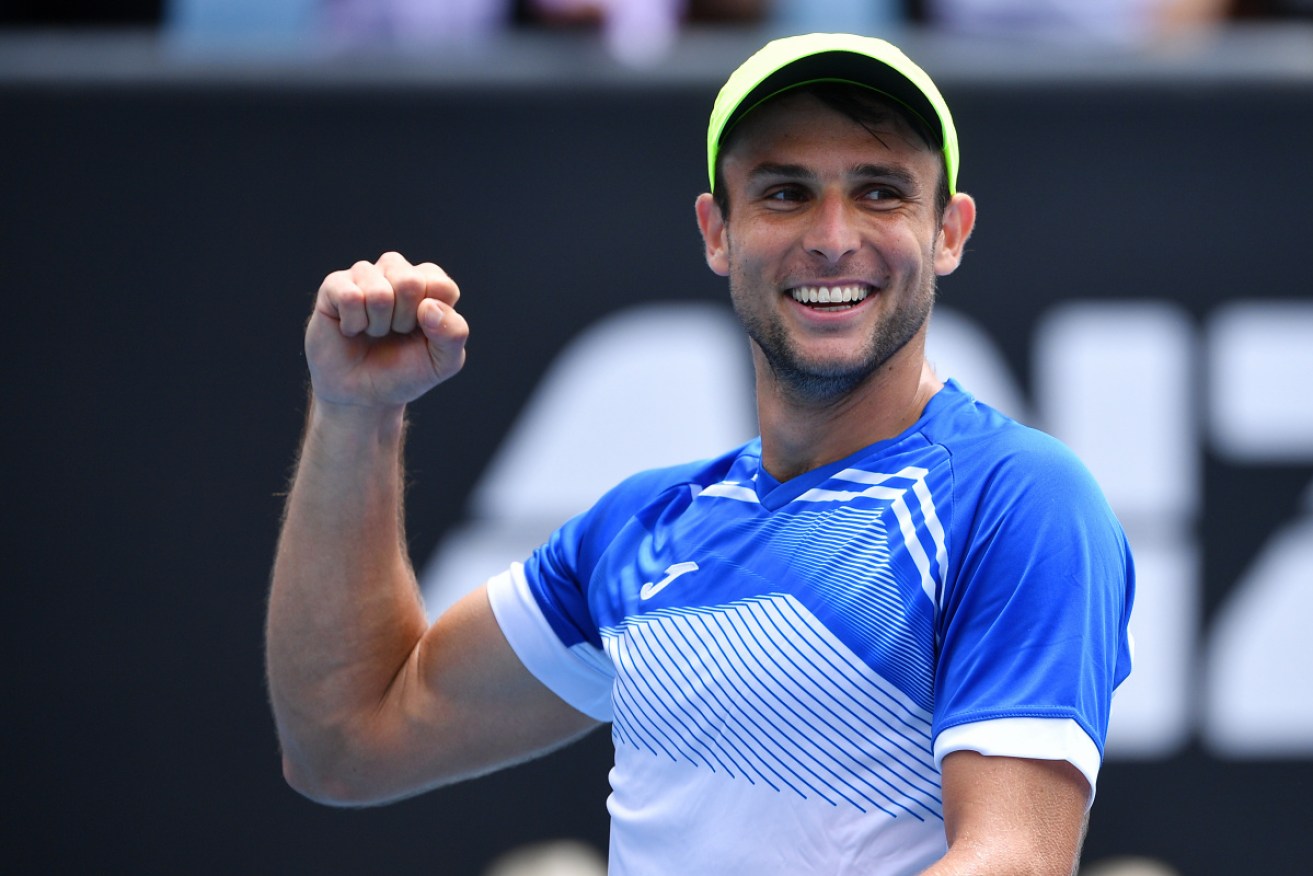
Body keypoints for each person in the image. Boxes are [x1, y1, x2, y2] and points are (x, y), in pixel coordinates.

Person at [266, 32, 1135, 874]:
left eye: (879, 192)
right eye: (785, 193)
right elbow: (347, 742)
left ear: (948, 231)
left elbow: (1011, 861)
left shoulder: (1018, 498)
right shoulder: (634, 531)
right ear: (716, 231)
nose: (833, 236)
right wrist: (353, 414)